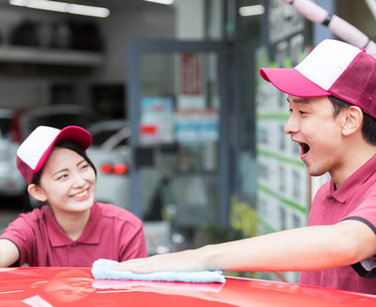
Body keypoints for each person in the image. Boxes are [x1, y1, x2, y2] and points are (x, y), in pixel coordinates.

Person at [114, 39, 376, 294]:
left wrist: (202, 257)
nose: (289, 127)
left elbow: (347, 243)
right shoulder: (325, 195)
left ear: (350, 120)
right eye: (290, 111)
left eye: (303, 112)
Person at [0, 125, 148, 267]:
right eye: (63, 176)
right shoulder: (32, 227)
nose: (80, 182)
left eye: (83, 167)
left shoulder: (125, 227)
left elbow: (136, 290)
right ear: (38, 191)